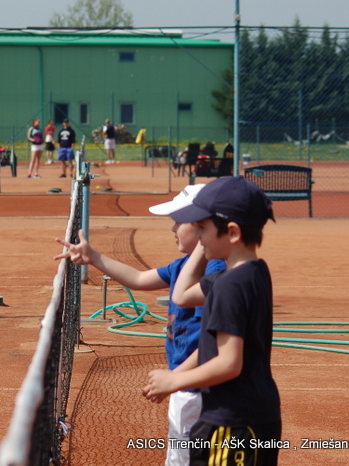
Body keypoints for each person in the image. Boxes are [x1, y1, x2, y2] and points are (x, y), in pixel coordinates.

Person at [54, 185, 226, 466]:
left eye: (178, 222)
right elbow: (138, 278)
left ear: (203, 226)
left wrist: (175, 378)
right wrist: (93, 257)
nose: (173, 229)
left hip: (199, 388)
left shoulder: (214, 271)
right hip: (185, 385)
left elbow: (214, 342)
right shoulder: (183, 266)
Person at [142, 176, 281, 466]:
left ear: (232, 232)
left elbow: (229, 363)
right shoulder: (250, 272)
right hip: (244, 416)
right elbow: (181, 295)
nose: (197, 235)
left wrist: (175, 380)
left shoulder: (230, 285)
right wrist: (202, 246)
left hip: (236, 424)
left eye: (202, 228)